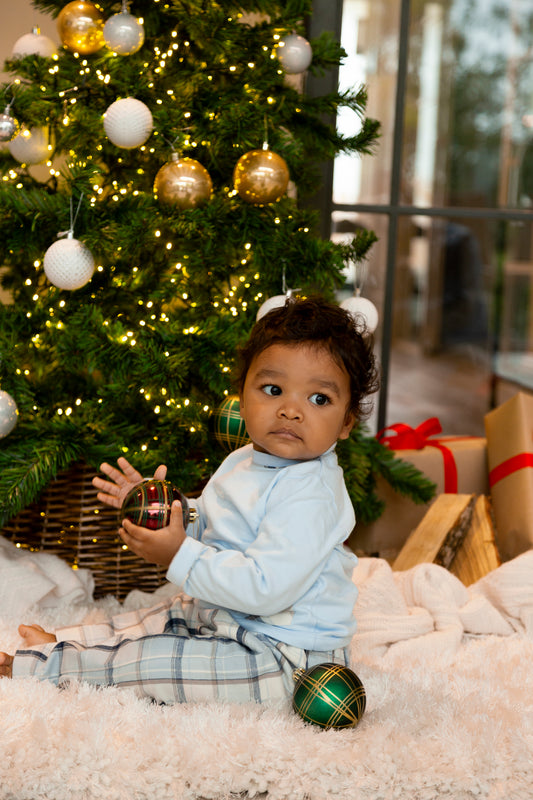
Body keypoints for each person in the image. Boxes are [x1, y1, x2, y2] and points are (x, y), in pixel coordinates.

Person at [0, 296, 379, 704]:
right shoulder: (245, 459)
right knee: (149, 620)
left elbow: (265, 589)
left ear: (346, 422)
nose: (290, 410)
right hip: (225, 614)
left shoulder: (312, 495)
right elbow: (215, 518)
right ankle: (65, 644)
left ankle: (44, 667)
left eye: (318, 399)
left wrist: (178, 554)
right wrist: (166, 507)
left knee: (153, 661)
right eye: (273, 390)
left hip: (283, 654)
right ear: (242, 395)